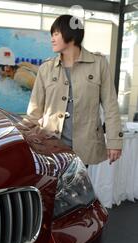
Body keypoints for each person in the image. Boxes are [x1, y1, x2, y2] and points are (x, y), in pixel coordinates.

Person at [24, 14, 122, 165]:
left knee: (78, 186)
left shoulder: (99, 64)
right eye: (52, 34)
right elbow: (34, 111)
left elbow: (111, 106)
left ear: (71, 34)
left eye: (56, 34)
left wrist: (115, 141)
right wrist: (19, 136)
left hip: (85, 146)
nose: (52, 38)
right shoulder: (46, 68)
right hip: (51, 146)